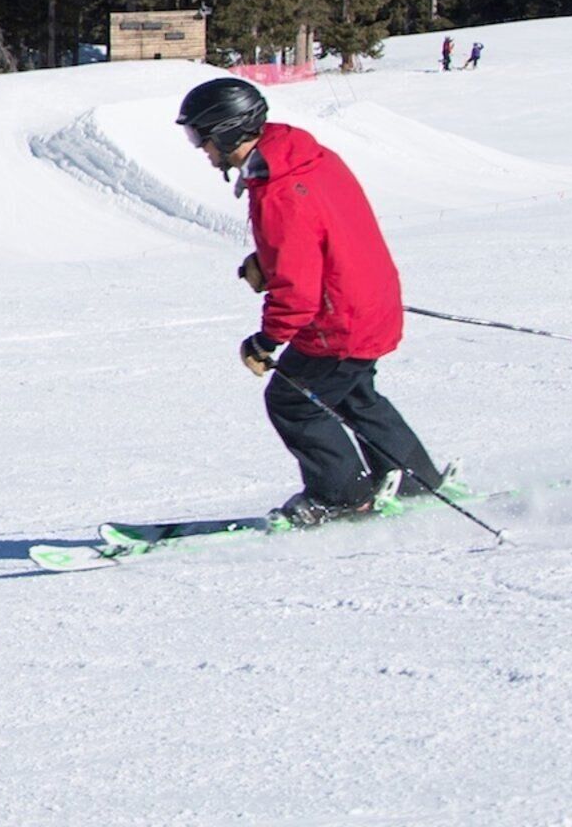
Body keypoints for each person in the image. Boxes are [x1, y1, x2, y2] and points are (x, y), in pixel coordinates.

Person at [177, 77, 445, 525]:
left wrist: (266, 340)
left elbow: (297, 291)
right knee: (353, 394)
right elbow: (317, 234)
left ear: (226, 131)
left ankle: (341, 496)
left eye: (199, 137)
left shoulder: (278, 190)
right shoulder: (302, 157)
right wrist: (269, 259)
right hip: (368, 301)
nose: (200, 149)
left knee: (294, 401)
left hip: (338, 319)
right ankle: (414, 482)